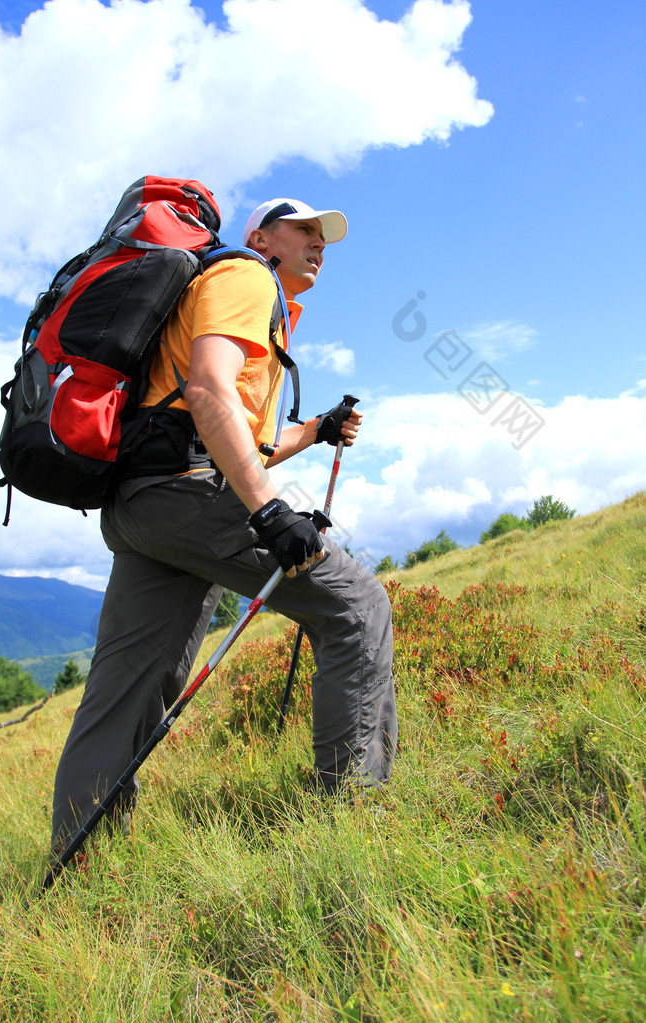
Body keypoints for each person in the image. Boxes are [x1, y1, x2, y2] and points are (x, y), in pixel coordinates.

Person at [51, 197, 397, 851]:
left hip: (144, 505)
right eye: (304, 230)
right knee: (357, 607)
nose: (318, 243)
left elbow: (243, 438)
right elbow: (209, 391)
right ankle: (357, 837)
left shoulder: (235, 294)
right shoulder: (247, 278)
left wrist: (316, 430)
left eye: (324, 236)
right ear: (262, 236)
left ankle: (79, 872)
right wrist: (269, 511)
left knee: (125, 689)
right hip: (188, 496)